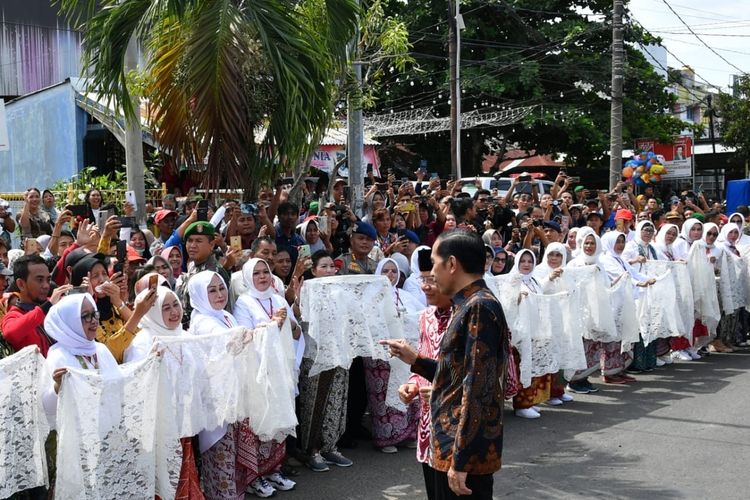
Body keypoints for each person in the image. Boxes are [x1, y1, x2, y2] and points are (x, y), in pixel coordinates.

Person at [382, 230, 509, 500]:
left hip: (461, 449)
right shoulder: (466, 305)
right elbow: (457, 374)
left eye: (436, 265)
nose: (432, 276)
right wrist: (416, 361)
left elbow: (478, 388)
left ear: (452, 265)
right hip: (448, 443)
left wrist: (461, 460)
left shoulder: (479, 307)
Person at [187, 270, 286, 499]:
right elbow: (232, 343)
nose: (219, 294)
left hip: (232, 397)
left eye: (221, 288)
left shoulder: (225, 315)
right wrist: (268, 327)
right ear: (199, 294)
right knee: (220, 454)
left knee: (231, 456)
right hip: (216, 402)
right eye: (211, 290)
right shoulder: (203, 321)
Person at [121, 287, 204, 498]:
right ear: (153, 312)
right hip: (159, 428)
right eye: (165, 308)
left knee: (182, 476)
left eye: (175, 304)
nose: (174, 312)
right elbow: (135, 385)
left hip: (182, 423)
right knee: (164, 480)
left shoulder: (183, 335)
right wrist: (152, 363)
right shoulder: (142, 342)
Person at [232, 259, 299, 496]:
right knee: (258, 422)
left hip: (280, 371)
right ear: (248, 277)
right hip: (257, 372)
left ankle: (273, 470)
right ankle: (254, 477)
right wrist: (271, 325)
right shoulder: (244, 302)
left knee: (278, 418)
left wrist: (288, 323)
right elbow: (246, 337)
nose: (263, 277)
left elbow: (296, 332)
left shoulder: (279, 299)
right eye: (257, 273)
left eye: (266, 272)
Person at [397, 248, 454, 499]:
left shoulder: (468, 315)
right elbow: (425, 355)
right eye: (424, 280)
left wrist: (443, 387)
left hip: (459, 423)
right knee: (434, 487)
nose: (427, 287)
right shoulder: (425, 317)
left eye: (433, 280)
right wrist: (411, 383)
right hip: (429, 418)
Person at [296, 251, 354, 472]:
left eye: (332, 266)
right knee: (315, 404)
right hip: (316, 357)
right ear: (314, 270)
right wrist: (298, 298)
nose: (329, 270)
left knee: (337, 403)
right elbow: (302, 319)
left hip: (339, 355)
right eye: (324, 266)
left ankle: (331, 447)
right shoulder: (307, 290)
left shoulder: (341, 292)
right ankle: (312, 451)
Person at [364, 258, 422, 453]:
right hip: (381, 356)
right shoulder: (371, 297)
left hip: (403, 353)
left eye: (394, 271)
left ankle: (407, 435)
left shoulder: (405, 295)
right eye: (386, 271)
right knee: (382, 399)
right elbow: (368, 323)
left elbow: (421, 315)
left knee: (406, 392)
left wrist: (405, 318)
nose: (390, 275)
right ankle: (386, 438)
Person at [2, 255, 72, 355]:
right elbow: (10, 334)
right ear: (21, 284)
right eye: (39, 280)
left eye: (48, 280)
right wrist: (47, 307)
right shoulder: (14, 315)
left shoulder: (52, 304)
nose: (46, 285)